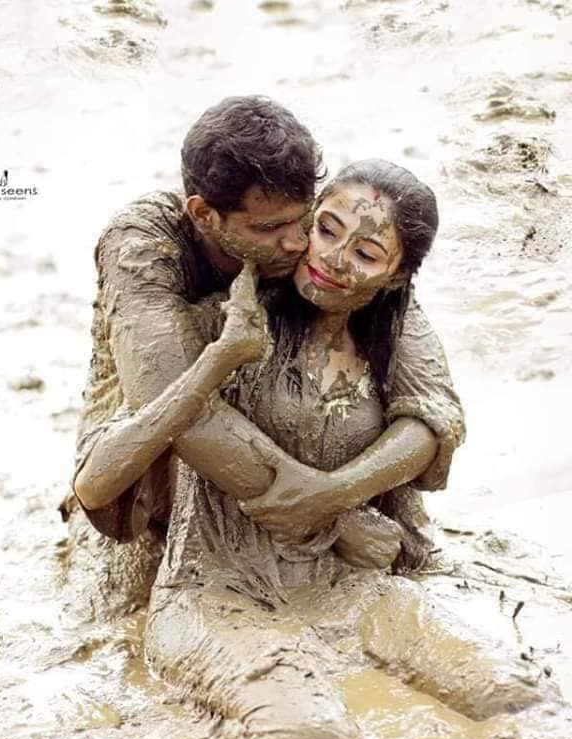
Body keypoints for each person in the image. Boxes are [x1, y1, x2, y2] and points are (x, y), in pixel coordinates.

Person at [73, 159, 557, 739]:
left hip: (350, 581)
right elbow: (144, 436)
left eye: (366, 253)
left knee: (514, 695)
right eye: (325, 230)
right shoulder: (223, 319)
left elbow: (432, 418)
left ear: (396, 276)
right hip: (217, 588)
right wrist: (334, 515)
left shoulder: (391, 330)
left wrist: (331, 495)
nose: (333, 257)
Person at [62, 96, 463, 619]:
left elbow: (432, 405)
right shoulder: (145, 244)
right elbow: (169, 401)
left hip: (282, 460)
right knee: (128, 602)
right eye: (269, 229)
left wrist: (334, 493)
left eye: (305, 220)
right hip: (147, 454)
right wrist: (332, 518)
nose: (299, 244)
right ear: (204, 216)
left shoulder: (330, 243)